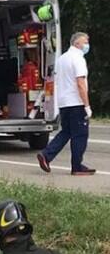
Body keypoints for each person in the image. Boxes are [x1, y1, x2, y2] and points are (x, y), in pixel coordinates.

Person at [38, 32, 95, 175]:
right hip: (76, 102)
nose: (87, 44)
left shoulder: (61, 59)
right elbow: (80, 83)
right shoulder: (78, 59)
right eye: (85, 42)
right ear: (77, 43)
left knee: (66, 132)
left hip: (64, 103)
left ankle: (46, 155)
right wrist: (87, 106)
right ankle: (77, 166)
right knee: (80, 135)